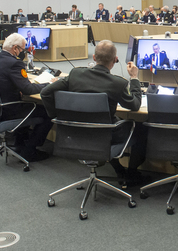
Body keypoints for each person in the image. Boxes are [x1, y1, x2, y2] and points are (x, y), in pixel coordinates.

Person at [40, 40, 146, 186]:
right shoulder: (117, 83)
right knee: (140, 128)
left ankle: (119, 169)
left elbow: (45, 93)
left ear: (94, 58)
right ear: (115, 60)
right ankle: (132, 174)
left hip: (76, 133)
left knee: (105, 124)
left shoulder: (75, 74)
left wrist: (56, 118)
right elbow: (135, 105)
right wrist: (134, 78)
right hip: (105, 134)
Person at [0, 34, 54, 162]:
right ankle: (29, 150)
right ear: (15, 48)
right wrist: (50, 84)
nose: (23, 53)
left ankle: (20, 144)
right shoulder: (15, 63)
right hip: (8, 109)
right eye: (23, 50)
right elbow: (28, 90)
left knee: (27, 105)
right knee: (47, 112)